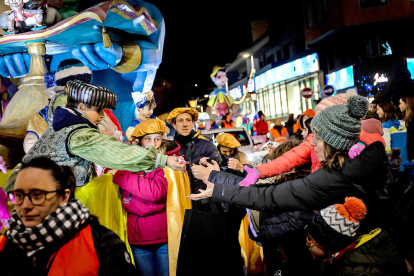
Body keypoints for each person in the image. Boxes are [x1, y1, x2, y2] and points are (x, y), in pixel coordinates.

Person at [188, 96, 390, 235]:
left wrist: (217, 188)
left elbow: (268, 197)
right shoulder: (362, 163)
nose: (310, 143)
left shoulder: (330, 179)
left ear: (333, 143)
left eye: (316, 138)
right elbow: (289, 160)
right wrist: (257, 171)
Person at [4, 80, 184, 192]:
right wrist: (163, 160)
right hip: (35, 202)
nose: (101, 116)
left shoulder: (62, 126)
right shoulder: (77, 133)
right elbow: (117, 153)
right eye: (98, 110)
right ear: (80, 107)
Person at [0, 157, 136, 275]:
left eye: (37, 195)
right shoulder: (9, 244)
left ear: (63, 197)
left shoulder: (101, 243)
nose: (26, 206)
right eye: (19, 196)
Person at [238, 94, 385, 185]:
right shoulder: (313, 138)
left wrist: (361, 144)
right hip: (318, 187)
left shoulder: (354, 134)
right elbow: (290, 158)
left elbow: (376, 141)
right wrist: (260, 171)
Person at [112, 119, 170, 276]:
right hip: (137, 240)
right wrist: (148, 201)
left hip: (164, 237)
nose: (153, 144)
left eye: (157, 139)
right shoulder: (131, 163)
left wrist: (121, 175)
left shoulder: (167, 164)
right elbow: (128, 204)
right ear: (140, 142)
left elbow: (156, 193)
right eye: (148, 139)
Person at [305, 197, 407, 275]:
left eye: (310, 239)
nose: (306, 243)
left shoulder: (355, 272)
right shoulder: (341, 255)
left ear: (329, 244)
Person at [166, 108, 220, 212]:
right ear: (174, 125)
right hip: (179, 205)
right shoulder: (168, 149)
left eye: (188, 120)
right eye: (180, 121)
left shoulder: (207, 145)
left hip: (205, 205)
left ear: (193, 123)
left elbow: (219, 175)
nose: (185, 124)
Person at [377, 102, 408, 172]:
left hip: (394, 165)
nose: (377, 111)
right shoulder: (404, 124)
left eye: (378, 109)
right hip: (406, 162)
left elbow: (386, 147)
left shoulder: (385, 126)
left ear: (385, 110)